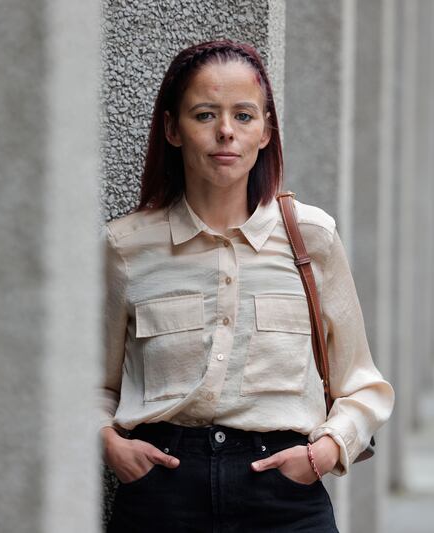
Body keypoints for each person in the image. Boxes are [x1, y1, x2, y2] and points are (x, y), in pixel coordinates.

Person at [98, 39, 395, 532]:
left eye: (243, 116)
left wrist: (323, 453)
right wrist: (108, 442)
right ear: (173, 129)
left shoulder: (312, 238)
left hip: (284, 496)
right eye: (204, 115)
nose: (225, 134)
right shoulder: (127, 247)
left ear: (265, 131)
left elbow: (361, 384)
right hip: (162, 496)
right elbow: (92, 384)